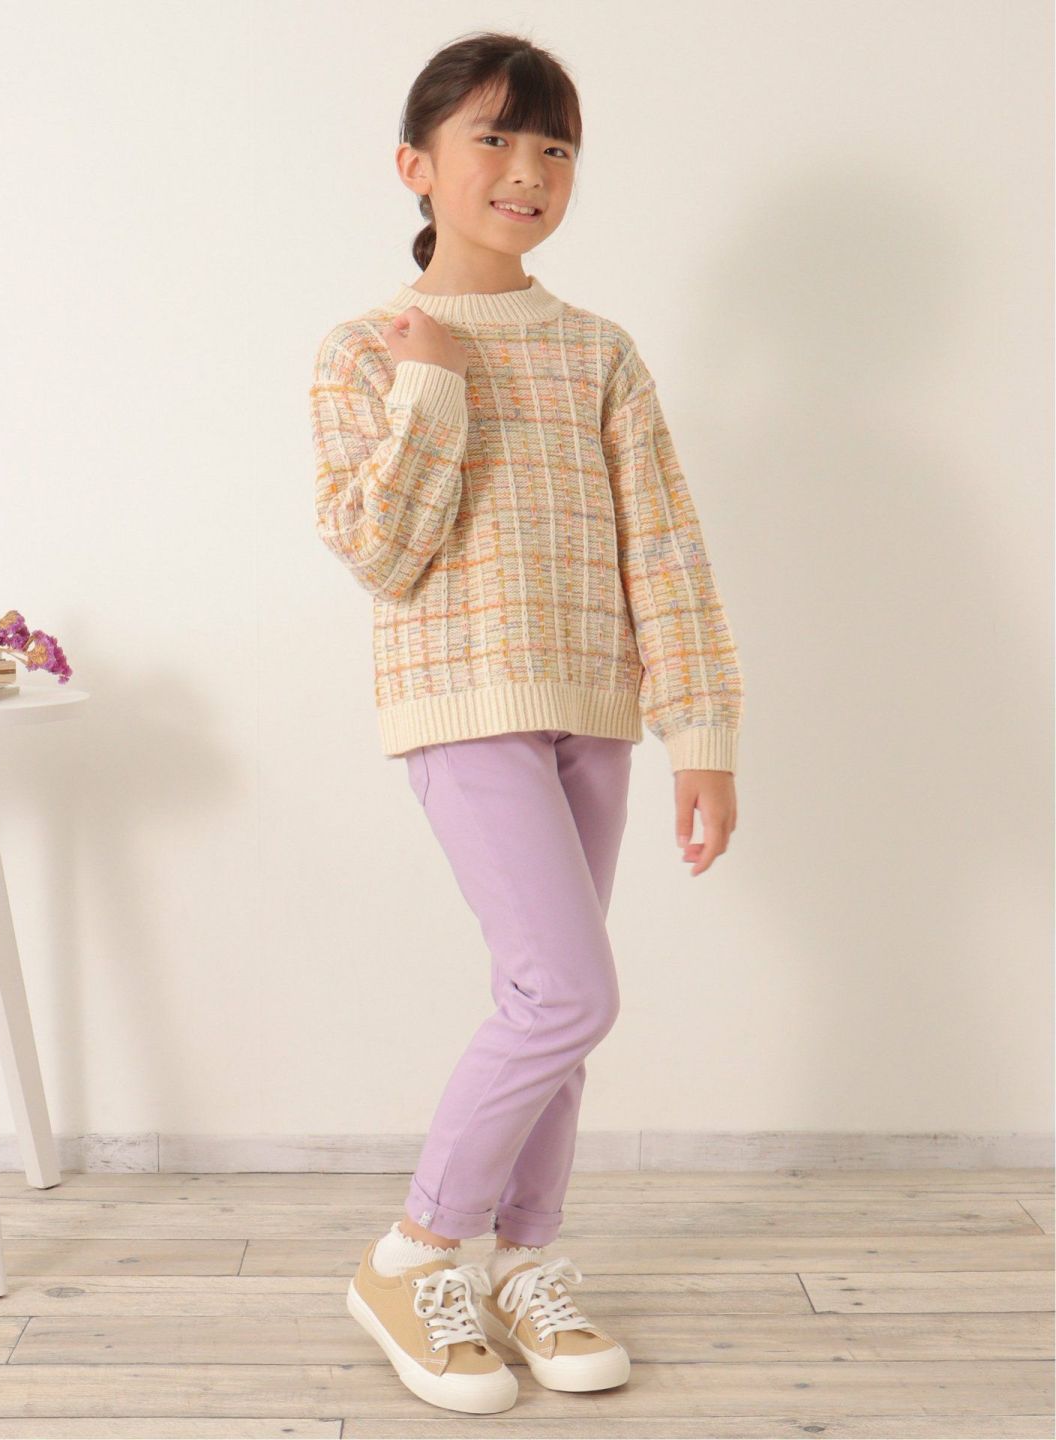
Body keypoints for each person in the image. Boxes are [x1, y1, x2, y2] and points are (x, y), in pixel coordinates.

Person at [308, 30, 744, 1415]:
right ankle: (416, 1252)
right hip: (461, 705)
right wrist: (434, 381)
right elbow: (381, 552)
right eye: (493, 138)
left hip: (594, 710)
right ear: (416, 165)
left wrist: (702, 734)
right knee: (569, 993)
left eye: (554, 147)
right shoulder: (366, 351)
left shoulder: (599, 352)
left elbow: (664, 551)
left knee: (548, 1005)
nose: (527, 170)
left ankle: (520, 1261)